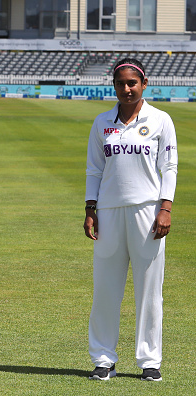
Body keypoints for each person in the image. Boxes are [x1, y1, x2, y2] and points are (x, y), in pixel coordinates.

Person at [83, 58, 178, 382]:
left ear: (144, 84)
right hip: (108, 212)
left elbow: (170, 168)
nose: (126, 89)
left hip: (148, 212)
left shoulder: (160, 120)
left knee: (150, 291)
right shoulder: (102, 123)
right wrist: (90, 209)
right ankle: (103, 358)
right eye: (121, 83)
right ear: (114, 85)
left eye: (132, 83)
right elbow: (94, 169)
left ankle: (149, 361)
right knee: (105, 290)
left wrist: (165, 208)